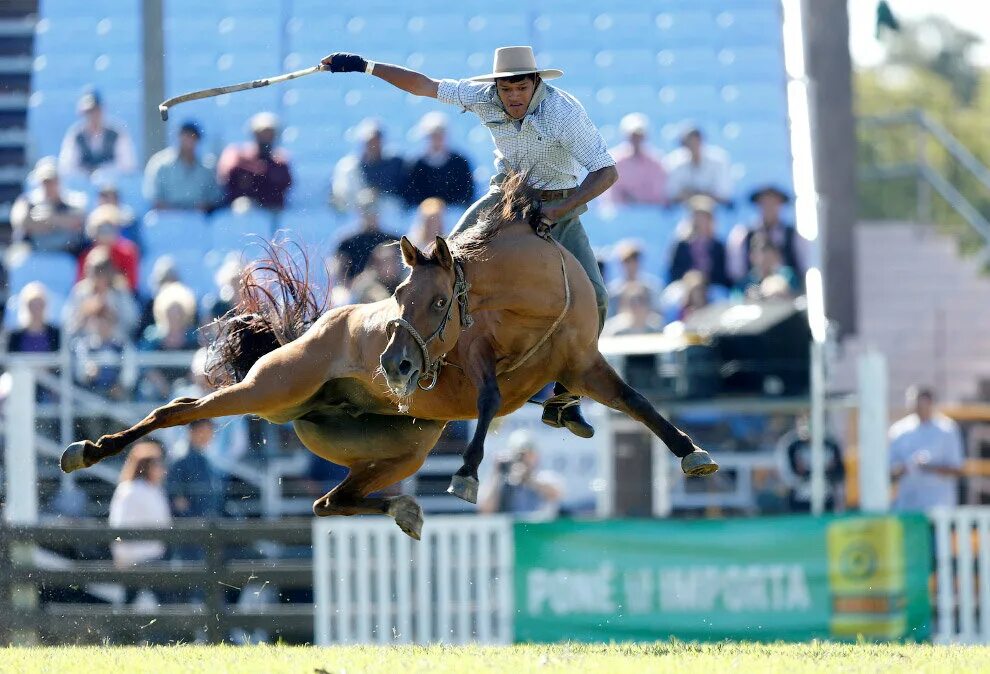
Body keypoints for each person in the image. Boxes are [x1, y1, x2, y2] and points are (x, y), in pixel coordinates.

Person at [322, 46, 617, 439]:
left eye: (521, 88)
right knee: (439, 268)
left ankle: (564, 398)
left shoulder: (564, 113)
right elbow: (423, 86)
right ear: (496, 86)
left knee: (596, 297)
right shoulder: (483, 97)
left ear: (536, 84)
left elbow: (606, 172)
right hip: (504, 200)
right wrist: (364, 65)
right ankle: (425, 362)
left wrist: (560, 211)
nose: (513, 96)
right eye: (506, 88)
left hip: (558, 206)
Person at [889, 386, 965, 512]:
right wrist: (908, 466)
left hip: (939, 505)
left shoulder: (947, 429)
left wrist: (929, 467)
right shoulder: (899, 430)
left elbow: (957, 468)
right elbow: (890, 470)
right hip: (909, 505)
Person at [108, 440, 172, 569]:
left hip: (147, 555)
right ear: (146, 467)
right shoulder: (133, 490)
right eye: (158, 465)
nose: (162, 470)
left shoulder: (149, 489)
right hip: (139, 558)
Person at [727, 185, 806, 284]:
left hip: (787, 292)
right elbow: (736, 272)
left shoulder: (793, 235)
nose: (769, 207)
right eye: (765, 203)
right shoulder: (743, 234)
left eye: (774, 203)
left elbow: (803, 267)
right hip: (752, 292)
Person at [217, 112, 292, 210]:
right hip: (242, 208)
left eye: (270, 134)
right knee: (243, 205)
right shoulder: (238, 155)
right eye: (262, 134)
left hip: (270, 208)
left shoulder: (281, 161)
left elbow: (283, 188)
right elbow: (227, 180)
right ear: (254, 134)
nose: (266, 138)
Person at [137, 282, 200, 401]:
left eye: (178, 312)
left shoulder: (193, 337)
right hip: (158, 388)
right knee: (146, 391)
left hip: (186, 386)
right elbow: (144, 363)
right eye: (171, 311)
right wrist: (159, 383)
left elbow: (199, 362)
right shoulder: (152, 336)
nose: (174, 316)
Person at [479, 430, 563, 519]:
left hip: (540, 530)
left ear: (536, 456)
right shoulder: (502, 481)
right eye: (520, 455)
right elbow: (485, 510)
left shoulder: (545, 477)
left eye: (528, 454)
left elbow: (556, 494)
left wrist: (527, 478)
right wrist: (497, 473)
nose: (524, 459)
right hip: (511, 530)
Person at [10, 157, 87, 253]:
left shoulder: (73, 201)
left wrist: (51, 219)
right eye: (45, 182)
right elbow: (20, 222)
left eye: (52, 181)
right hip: (35, 255)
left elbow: (79, 222)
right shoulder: (27, 201)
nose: (49, 186)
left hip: (66, 256)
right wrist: (59, 224)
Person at [63, 246, 139, 339]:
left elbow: (132, 322)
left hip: (116, 345)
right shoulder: (80, 292)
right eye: (95, 270)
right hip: (84, 345)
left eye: (103, 269)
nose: (99, 275)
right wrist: (84, 313)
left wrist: (109, 314)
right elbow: (68, 325)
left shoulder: (120, 291)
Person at [143, 120, 221, 211]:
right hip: (166, 219)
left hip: (197, 220)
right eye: (186, 137)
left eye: (193, 138)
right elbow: (153, 198)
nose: (189, 142)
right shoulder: (160, 164)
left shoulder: (206, 168)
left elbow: (214, 199)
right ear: (178, 138)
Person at [332, 118, 406, 212]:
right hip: (356, 219)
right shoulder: (348, 168)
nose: (373, 145)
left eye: (377, 140)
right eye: (369, 142)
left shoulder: (395, 164)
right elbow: (341, 201)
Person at [401, 111, 474, 208]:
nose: (437, 139)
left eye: (440, 135)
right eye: (433, 135)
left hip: (454, 213)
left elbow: (467, 193)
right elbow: (409, 196)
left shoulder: (459, 162)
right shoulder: (415, 164)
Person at [58, 89, 137, 178]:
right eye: (89, 112)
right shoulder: (76, 135)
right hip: (84, 187)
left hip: (112, 187)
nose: (92, 115)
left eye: (95, 110)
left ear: (102, 109)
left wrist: (103, 172)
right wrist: (88, 173)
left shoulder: (116, 133)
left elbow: (128, 166)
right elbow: (66, 168)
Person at [334, 191, 400, 282]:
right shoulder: (346, 242)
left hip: (390, 289)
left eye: (375, 208)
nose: (372, 213)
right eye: (367, 209)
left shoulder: (395, 240)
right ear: (359, 211)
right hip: (355, 291)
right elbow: (338, 272)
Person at [667, 195, 730, 289]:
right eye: (698, 217)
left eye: (704, 217)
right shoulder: (682, 245)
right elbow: (674, 272)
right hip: (684, 286)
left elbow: (722, 274)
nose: (701, 221)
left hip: (711, 287)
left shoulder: (718, 246)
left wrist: (705, 280)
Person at [663, 125, 733, 206]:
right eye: (688, 143)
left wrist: (695, 196)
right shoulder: (674, 161)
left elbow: (724, 193)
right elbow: (672, 194)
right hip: (685, 210)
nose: (693, 146)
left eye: (696, 141)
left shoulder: (719, 160)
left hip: (715, 210)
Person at [606, 112, 667, 205]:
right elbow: (610, 196)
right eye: (633, 136)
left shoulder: (656, 162)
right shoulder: (614, 161)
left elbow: (659, 195)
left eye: (640, 136)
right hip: (622, 214)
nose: (637, 139)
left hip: (650, 214)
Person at [77, 204, 140, 292]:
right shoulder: (87, 256)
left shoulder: (127, 251)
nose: (106, 233)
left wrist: (109, 280)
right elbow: (80, 283)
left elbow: (132, 283)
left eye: (110, 228)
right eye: (101, 229)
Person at [169, 418, 223, 519]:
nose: (207, 435)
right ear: (191, 431)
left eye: (210, 431)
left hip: (209, 523)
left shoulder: (205, 457)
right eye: (202, 431)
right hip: (193, 527)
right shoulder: (181, 458)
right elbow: (177, 500)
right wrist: (195, 522)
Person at [734, 232, 800, 301]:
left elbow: (795, 297)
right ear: (751, 256)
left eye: (767, 252)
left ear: (776, 255)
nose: (763, 258)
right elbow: (736, 303)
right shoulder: (743, 284)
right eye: (759, 253)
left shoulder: (787, 275)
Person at [607, 239, 662, 316]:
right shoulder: (613, 291)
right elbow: (609, 317)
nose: (631, 265)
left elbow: (658, 314)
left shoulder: (652, 287)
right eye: (627, 261)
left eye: (635, 260)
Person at [7, 282, 60, 353]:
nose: (36, 310)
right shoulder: (14, 336)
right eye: (32, 305)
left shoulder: (56, 334)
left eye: (40, 305)